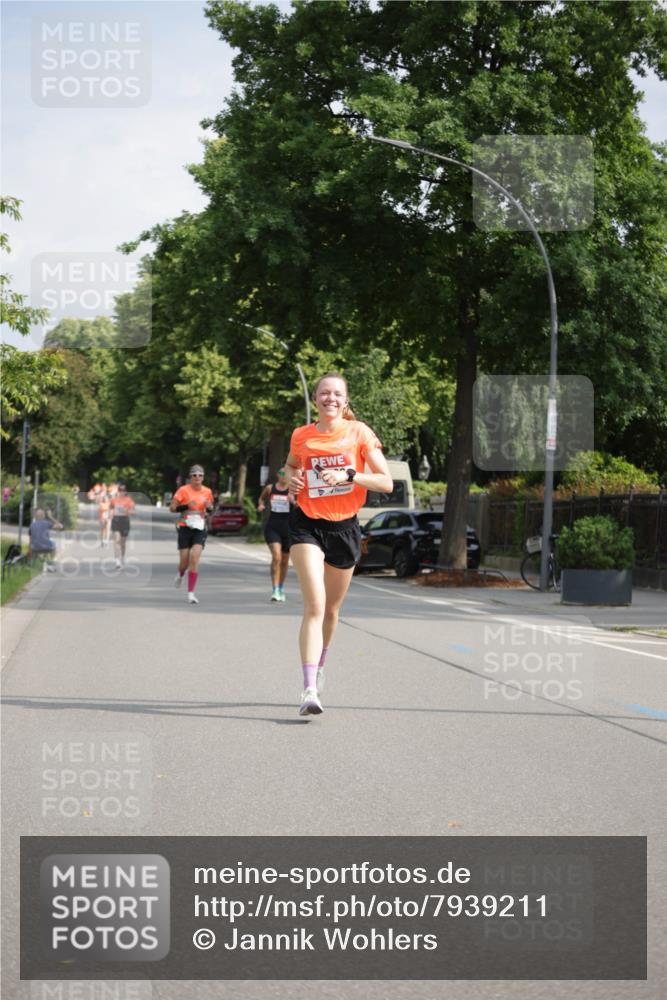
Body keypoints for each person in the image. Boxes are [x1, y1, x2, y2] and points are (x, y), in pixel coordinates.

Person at [285, 373, 392, 716]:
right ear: (315, 398)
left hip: (345, 528)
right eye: (324, 393)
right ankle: (308, 690)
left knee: (331, 611)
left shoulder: (359, 432)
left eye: (337, 394)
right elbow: (290, 466)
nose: (330, 398)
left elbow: (386, 482)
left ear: (345, 401)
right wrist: (291, 479)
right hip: (307, 524)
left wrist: (350, 474)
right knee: (315, 606)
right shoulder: (301, 435)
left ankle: (320, 665)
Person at [169, 465, 214, 605]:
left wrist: (209, 507)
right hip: (185, 527)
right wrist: (186, 506)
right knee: (184, 563)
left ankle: (191, 593)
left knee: (194, 558)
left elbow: (210, 508)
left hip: (200, 528)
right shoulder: (183, 490)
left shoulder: (207, 491)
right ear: (191, 477)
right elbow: (172, 508)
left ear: (203, 477)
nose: (197, 477)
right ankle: (181, 574)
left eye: (200, 475)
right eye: (194, 475)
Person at [257, 467, 292, 602]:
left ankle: (281, 587)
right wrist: (261, 505)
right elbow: (261, 499)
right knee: (277, 557)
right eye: (281, 473)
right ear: (277, 475)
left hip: (288, 528)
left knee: (285, 561)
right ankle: (275, 589)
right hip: (273, 527)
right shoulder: (270, 488)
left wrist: (293, 502)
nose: (283, 475)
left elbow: (301, 507)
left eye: (286, 473)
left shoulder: (293, 489)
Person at [109, 483, 136, 569]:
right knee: (117, 540)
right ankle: (117, 561)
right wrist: (110, 514)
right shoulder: (114, 500)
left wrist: (128, 511)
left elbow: (134, 512)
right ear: (118, 491)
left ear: (126, 491)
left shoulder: (129, 500)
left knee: (122, 543)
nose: (122, 492)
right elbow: (111, 508)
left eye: (123, 490)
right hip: (116, 520)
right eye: (120, 490)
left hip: (125, 521)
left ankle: (122, 558)